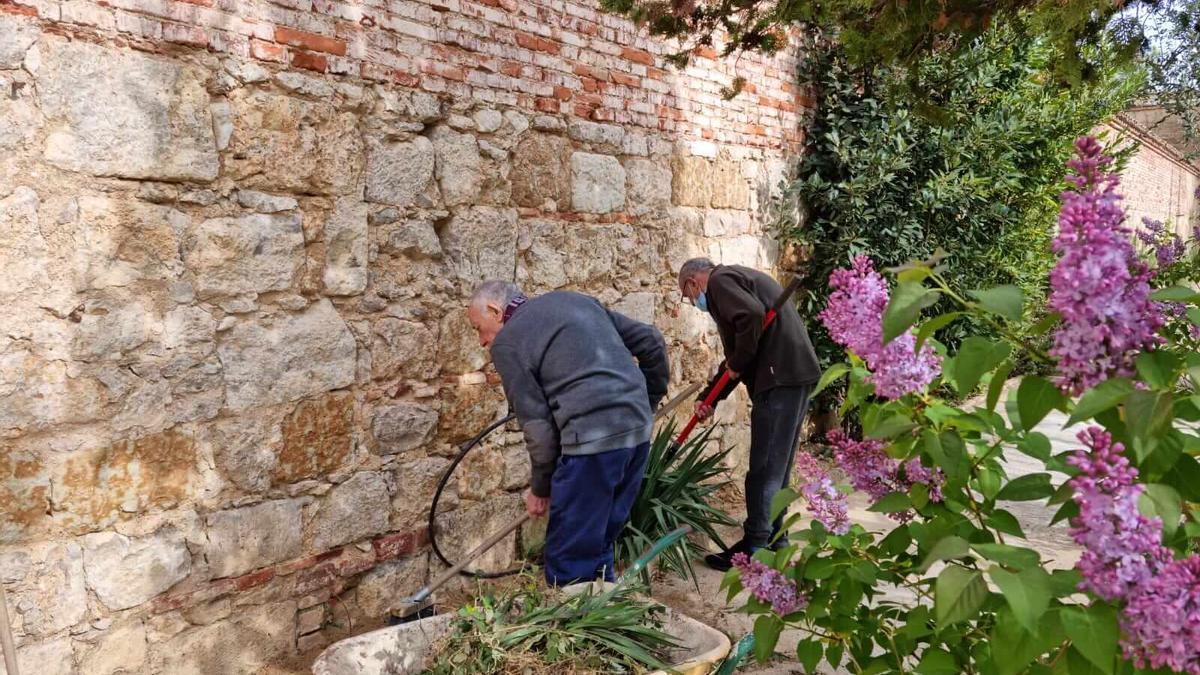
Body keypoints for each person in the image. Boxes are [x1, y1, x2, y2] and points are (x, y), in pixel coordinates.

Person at [467, 280, 669, 585]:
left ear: (495, 311)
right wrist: (647, 402)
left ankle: (571, 627)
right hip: (636, 435)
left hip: (591, 445)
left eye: (478, 328)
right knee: (600, 541)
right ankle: (602, 618)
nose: (482, 341)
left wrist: (540, 487)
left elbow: (538, 427)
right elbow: (651, 340)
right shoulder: (577, 301)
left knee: (569, 556)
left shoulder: (508, 342)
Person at [677, 258, 821, 571]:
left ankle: (755, 545)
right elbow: (740, 352)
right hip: (794, 374)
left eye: (688, 297)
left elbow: (751, 322)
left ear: (692, 281)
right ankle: (776, 541)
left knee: (765, 471)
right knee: (778, 469)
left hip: (779, 378)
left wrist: (738, 363)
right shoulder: (739, 278)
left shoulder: (719, 281)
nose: (695, 303)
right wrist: (709, 398)